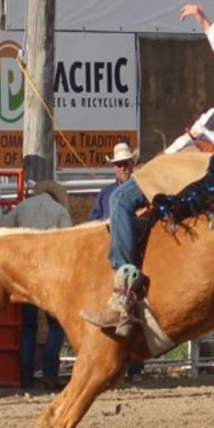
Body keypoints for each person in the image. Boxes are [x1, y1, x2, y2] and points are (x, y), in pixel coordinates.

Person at [82, 3, 214, 335]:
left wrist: (205, 21)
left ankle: (123, 297)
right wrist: (163, 158)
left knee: (120, 200)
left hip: (204, 164)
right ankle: (137, 299)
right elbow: (204, 124)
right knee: (139, 215)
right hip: (198, 160)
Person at [0, 180, 72, 390]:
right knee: (56, 325)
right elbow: (67, 242)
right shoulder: (59, 211)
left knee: (28, 327)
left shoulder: (22, 208)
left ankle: (26, 377)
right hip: (50, 274)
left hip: (26, 275)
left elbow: (3, 226)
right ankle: (49, 373)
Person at [88, 142, 145, 383]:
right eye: (119, 165)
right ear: (114, 168)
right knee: (118, 310)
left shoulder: (141, 190)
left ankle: (134, 368)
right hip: (111, 258)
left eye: (125, 164)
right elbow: (93, 222)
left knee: (136, 309)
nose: (122, 168)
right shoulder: (106, 194)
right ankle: (117, 367)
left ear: (132, 165)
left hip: (138, 256)